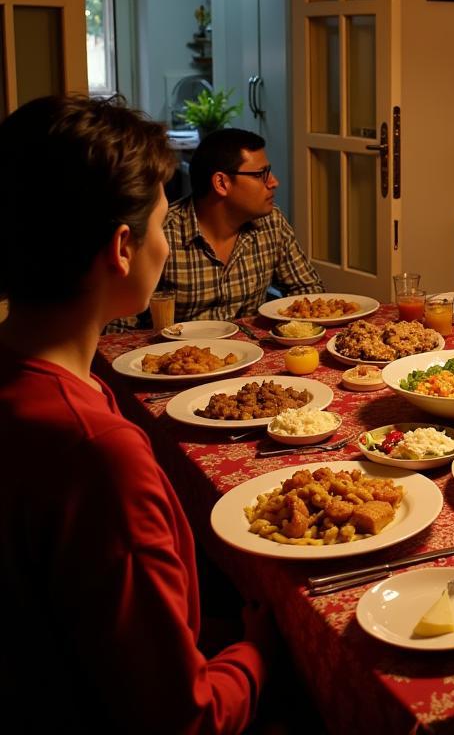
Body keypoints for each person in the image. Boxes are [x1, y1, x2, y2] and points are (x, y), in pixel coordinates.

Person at [0, 95, 273, 731]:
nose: (167, 247)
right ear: (123, 247)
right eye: (157, 228)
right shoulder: (95, 450)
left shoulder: (39, 381)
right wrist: (263, 651)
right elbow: (185, 716)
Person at [159, 127, 323, 322]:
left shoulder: (271, 222)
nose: (273, 182)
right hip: (179, 351)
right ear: (221, 183)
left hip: (252, 349)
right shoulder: (163, 233)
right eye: (260, 174)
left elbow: (308, 291)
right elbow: (121, 326)